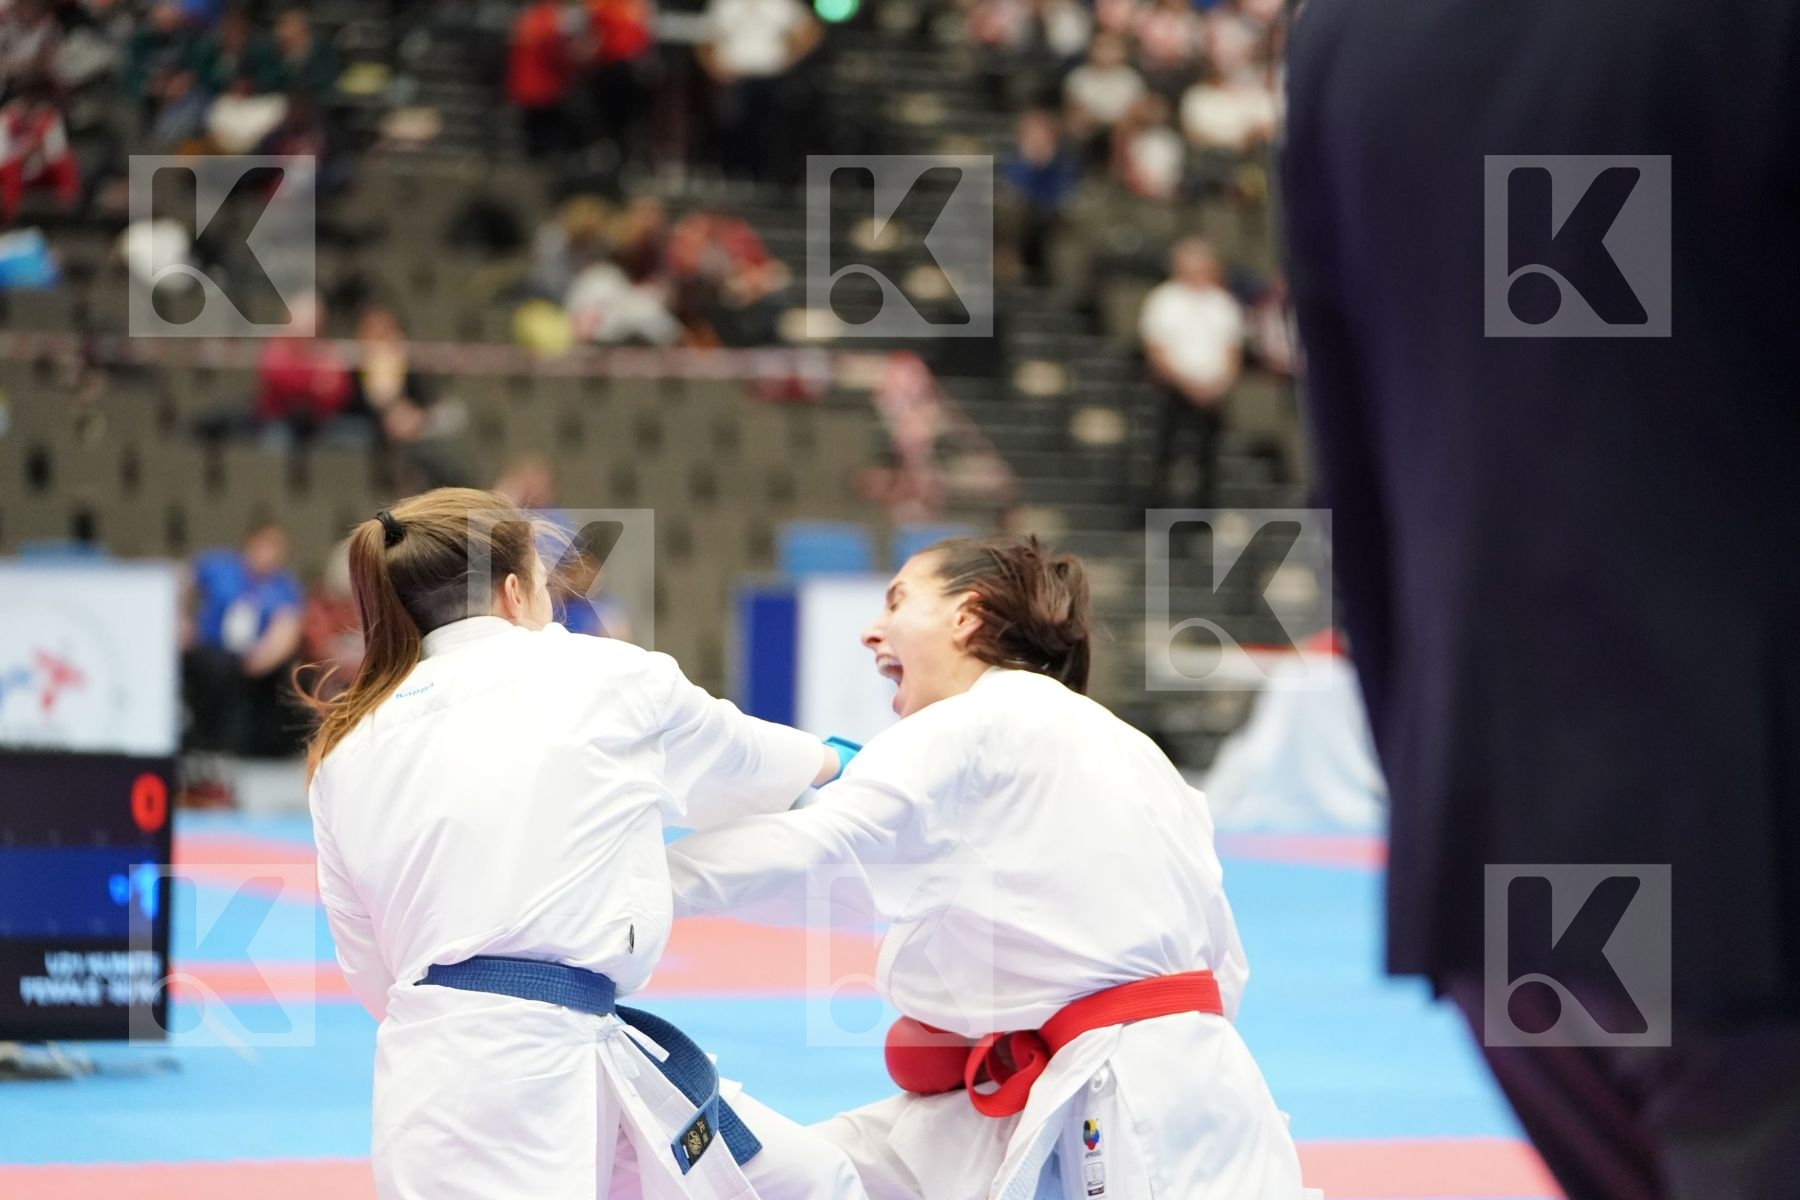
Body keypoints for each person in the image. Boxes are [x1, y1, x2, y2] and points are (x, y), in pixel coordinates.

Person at [1281, 2, 1800, 1198]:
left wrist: (1446, 794)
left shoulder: (1352, 34)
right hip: (1749, 872)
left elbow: (1357, 485)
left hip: (1510, 866)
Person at [667, 536, 1305, 1199]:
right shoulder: (1135, 750)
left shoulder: (969, 725)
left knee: (779, 1175)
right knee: (803, 1173)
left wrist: (641, 889)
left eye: (898, 602)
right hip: (1188, 1078)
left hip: (1125, 1094)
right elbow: (1225, 966)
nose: (871, 631)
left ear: (965, 616)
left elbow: (815, 844)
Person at [303, 488, 866, 1200]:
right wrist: (841, 760)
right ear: (514, 593)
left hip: (467, 1068)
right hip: (511, 1074)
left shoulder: (346, 748)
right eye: (546, 586)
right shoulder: (606, 674)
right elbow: (750, 765)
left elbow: (369, 970)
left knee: (806, 1178)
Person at [182, 520, 305, 758]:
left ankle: (254, 747)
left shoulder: (283, 586)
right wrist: (183, 620)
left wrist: (264, 656)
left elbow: (287, 627)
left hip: (255, 658)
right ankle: (205, 741)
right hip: (212, 652)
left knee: (280, 677)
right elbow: (182, 581)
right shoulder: (219, 567)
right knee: (214, 669)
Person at [1139, 237, 1244, 508]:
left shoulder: (1223, 304)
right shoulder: (1164, 300)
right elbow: (1156, 351)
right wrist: (1188, 385)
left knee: (1208, 456)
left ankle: (1203, 512)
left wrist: (1217, 386)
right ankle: (1155, 507)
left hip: (1213, 392)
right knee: (1166, 451)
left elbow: (1233, 354)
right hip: (1172, 389)